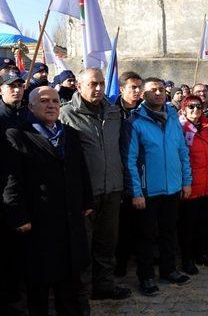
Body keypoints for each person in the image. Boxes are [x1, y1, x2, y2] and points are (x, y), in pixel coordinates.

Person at [4, 87, 94, 315]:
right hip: (38, 221)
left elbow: (81, 171)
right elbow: (12, 181)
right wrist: (18, 215)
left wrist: (87, 200)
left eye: (55, 100)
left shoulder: (69, 134)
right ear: (31, 106)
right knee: (40, 283)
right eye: (44, 101)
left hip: (69, 218)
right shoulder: (17, 135)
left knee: (69, 279)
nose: (52, 105)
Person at [59, 68, 132, 302]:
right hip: (84, 194)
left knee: (107, 242)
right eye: (92, 84)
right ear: (79, 86)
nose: (99, 88)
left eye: (101, 83)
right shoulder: (66, 115)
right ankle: (81, 290)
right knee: (82, 245)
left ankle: (104, 286)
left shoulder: (113, 112)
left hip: (112, 189)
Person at [121, 77, 192, 296]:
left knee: (169, 232)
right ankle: (146, 276)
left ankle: (168, 270)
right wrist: (136, 191)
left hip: (172, 188)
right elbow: (130, 160)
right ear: (143, 94)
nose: (159, 93)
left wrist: (186, 181)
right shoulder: (134, 122)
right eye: (153, 90)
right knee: (146, 236)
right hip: (147, 192)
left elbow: (182, 152)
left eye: (162, 89)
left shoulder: (172, 118)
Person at [177, 95, 208, 274]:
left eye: (198, 106)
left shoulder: (207, 128)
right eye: (191, 107)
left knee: (203, 224)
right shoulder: (180, 129)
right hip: (191, 186)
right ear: (183, 109)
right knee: (187, 226)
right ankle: (186, 259)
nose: (195, 110)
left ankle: (201, 253)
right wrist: (185, 183)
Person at [0, 72, 27, 313]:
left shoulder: (25, 114)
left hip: (25, 189)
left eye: (20, 86)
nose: (16, 90)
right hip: (6, 192)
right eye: (11, 87)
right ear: (1, 90)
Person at [113, 71, 143, 277]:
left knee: (140, 221)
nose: (137, 91)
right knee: (121, 224)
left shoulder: (144, 111)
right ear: (122, 89)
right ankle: (120, 262)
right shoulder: (112, 112)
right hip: (118, 172)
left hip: (140, 172)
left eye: (139, 87)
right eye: (133, 87)